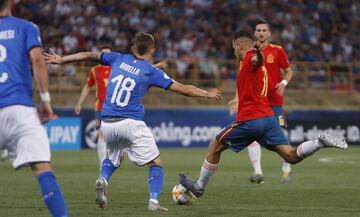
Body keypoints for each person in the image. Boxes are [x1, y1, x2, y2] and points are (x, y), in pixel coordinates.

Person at [45, 32, 222, 211]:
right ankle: (153, 202)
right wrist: (206, 93)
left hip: (107, 123)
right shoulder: (151, 72)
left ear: (132, 48)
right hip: (130, 123)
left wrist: (61, 60)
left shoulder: (117, 58)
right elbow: (183, 89)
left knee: (114, 158)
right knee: (155, 163)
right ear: (153, 50)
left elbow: (88, 55)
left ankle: (103, 179)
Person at [178, 30, 347, 199]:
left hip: (251, 120)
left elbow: (257, 61)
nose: (233, 52)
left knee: (215, 146)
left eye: (234, 49)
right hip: (268, 119)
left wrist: (258, 53)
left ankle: (199, 186)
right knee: (291, 156)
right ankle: (319, 142)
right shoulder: (246, 62)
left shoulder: (251, 57)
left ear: (240, 45)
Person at [0, 1, 68, 217]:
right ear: (10, 2)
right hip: (20, 108)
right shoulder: (26, 27)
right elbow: (38, 59)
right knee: (41, 168)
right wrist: (45, 100)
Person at [229, 19, 294, 184]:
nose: (261, 33)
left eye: (264, 30)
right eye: (258, 30)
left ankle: (286, 171)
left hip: (274, 101)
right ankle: (258, 172)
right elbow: (242, 78)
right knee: (252, 135)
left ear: (269, 33)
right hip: (255, 102)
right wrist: (237, 98)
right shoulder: (248, 53)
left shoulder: (277, 51)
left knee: (282, 133)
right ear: (255, 33)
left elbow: (288, 71)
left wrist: (284, 83)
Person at [75, 46, 112, 165]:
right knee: (101, 134)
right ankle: (103, 164)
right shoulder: (95, 70)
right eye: (104, 54)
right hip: (100, 107)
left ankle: (113, 160)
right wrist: (79, 102)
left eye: (108, 54)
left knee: (115, 137)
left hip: (116, 108)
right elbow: (87, 87)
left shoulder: (117, 68)